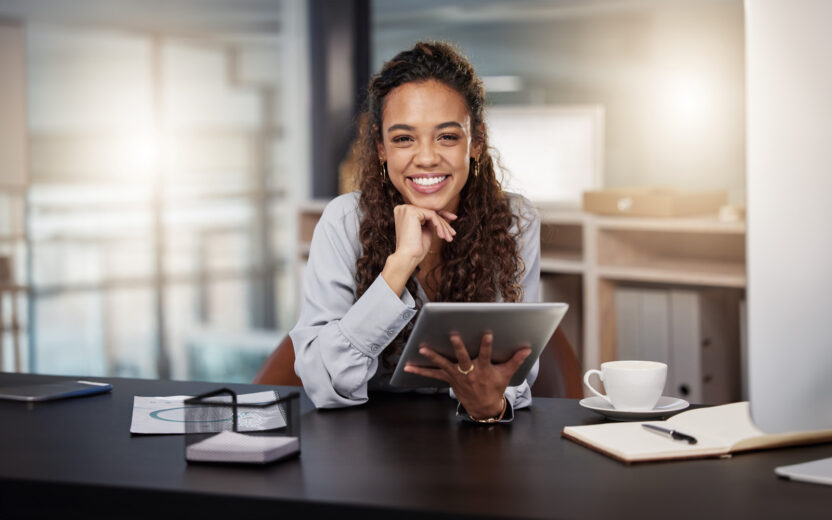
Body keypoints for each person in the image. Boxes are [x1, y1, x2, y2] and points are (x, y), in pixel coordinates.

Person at [291, 41, 541, 423]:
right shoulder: (343, 221)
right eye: (403, 138)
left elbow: (516, 367)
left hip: (472, 435)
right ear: (381, 148)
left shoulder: (513, 220)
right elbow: (325, 385)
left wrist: (491, 404)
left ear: (476, 142)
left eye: (447, 137)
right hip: (362, 439)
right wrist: (400, 265)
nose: (426, 158)